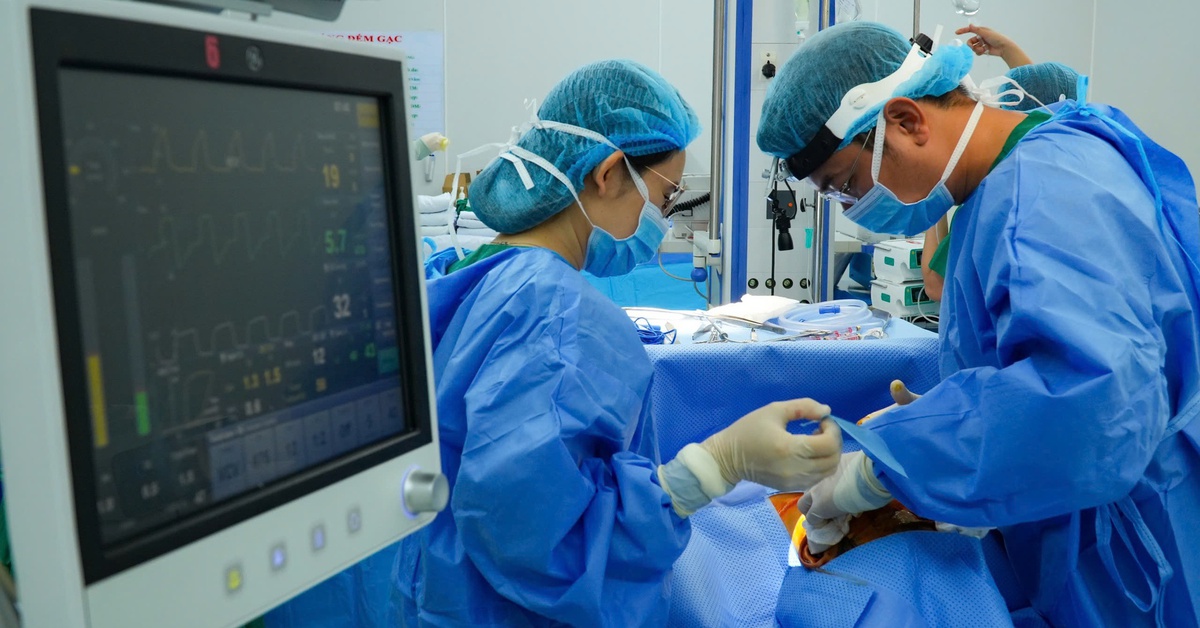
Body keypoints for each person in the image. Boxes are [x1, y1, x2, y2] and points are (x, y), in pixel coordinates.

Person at [758, 21, 1200, 626]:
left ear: (907, 121)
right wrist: (958, 406)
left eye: (846, 185)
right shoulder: (1029, 171)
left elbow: (1089, 406)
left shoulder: (1042, 194)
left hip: (1129, 550)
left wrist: (888, 461)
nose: (854, 205)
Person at [391, 59, 843, 627]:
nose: (663, 217)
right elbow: (546, 542)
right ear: (607, 174)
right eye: (664, 196)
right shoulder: (554, 313)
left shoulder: (477, 272)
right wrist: (711, 468)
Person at [923, 26, 1083, 301]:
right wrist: (1008, 51)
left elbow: (937, 285)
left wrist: (937, 195)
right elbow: (1040, 102)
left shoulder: (998, 192)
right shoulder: (1078, 168)